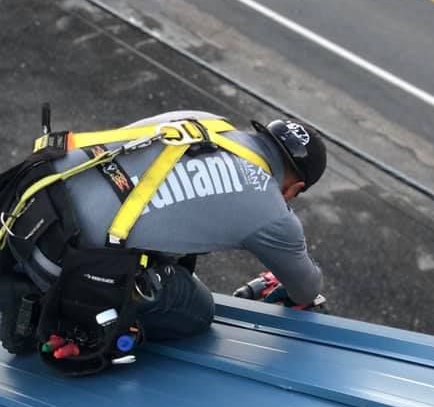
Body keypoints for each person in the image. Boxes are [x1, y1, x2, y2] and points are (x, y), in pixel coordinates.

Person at [29, 109, 327, 342]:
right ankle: (87, 326)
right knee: (197, 308)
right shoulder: (273, 212)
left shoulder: (206, 122)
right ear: (294, 188)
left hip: (33, 209)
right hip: (62, 265)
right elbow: (305, 289)